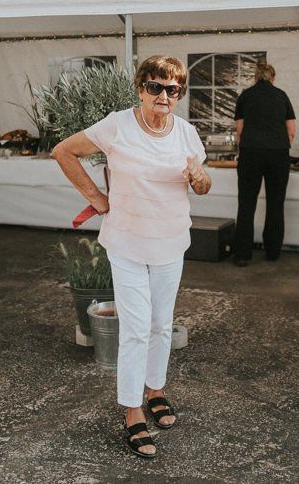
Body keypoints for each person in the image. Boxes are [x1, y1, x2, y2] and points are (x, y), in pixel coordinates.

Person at [52, 55, 211, 459]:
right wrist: (97, 198)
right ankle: (132, 410)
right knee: (137, 328)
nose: (163, 95)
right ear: (141, 88)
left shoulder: (187, 134)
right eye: (155, 87)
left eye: (171, 89)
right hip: (126, 243)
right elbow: (64, 152)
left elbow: (205, 184)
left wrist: (199, 178)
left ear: (179, 94)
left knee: (161, 325)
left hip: (170, 243)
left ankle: (156, 390)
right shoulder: (118, 125)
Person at [232, 61, 296, 266]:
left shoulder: (245, 96)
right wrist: (277, 144)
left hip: (251, 152)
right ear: (272, 78)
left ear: (256, 77)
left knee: (246, 204)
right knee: (275, 203)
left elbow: (239, 131)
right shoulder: (282, 96)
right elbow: (291, 130)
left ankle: (242, 255)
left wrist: (250, 146)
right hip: (278, 153)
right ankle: (272, 252)